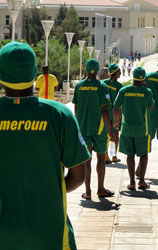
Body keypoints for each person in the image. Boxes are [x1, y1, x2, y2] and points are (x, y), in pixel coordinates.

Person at [0, 41, 91, 249]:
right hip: (51, 234)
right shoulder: (60, 114)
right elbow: (78, 176)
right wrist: (49, 191)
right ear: (34, 74)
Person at [73, 59, 115, 200]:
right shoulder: (102, 87)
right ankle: (101, 189)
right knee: (101, 158)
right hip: (99, 129)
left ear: (86, 70)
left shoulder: (79, 86)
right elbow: (105, 110)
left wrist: (76, 126)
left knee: (87, 160)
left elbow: (76, 108)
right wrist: (111, 130)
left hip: (83, 128)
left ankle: (88, 191)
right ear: (97, 71)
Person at [113, 67, 155, 190]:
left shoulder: (123, 90)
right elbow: (151, 106)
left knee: (129, 155)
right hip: (142, 129)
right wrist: (145, 88)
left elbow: (116, 107)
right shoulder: (147, 92)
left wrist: (116, 121)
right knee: (143, 155)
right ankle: (142, 181)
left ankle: (132, 182)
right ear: (143, 79)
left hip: (126, 129)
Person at [102, 63, 122, 163]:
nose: (120, 73)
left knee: (106, 135)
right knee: (115, 134)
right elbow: (120, 104)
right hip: (115, 114)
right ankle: (113, 156)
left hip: (105, 113)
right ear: (114, 72)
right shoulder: (119, 86)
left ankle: (106, 155)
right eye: (119, 71)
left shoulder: (103, 83)